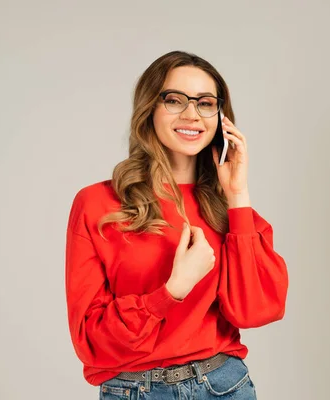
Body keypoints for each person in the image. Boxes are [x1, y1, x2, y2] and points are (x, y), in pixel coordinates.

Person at [64, 50, 289, 399]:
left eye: (205, 102)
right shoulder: (99, 204)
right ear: (149, 109)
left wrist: (238, 193)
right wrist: (172, 291)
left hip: (224, 386)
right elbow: (90, 341)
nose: (191, 114)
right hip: (136, 391)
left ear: (221, 116)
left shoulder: (229, 208)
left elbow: (257, 309)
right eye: (174, 100)